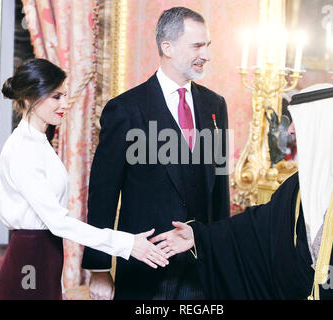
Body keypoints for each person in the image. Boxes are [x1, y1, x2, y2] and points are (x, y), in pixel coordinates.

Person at [152, 84, 333, 300]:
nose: (290, 131)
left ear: (320, 123)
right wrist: (199, 236)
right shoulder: (301, 182)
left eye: (297, 121)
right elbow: (258, 226)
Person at [81, 7, 230, 300]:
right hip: (144, 271)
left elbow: (219, 193)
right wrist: (99, 269)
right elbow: (103, 194)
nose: (206, 54)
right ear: (168, 47)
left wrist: (219, 257)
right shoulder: (125, 109)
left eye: (207, 45)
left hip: (201, 272)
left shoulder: (215, 107)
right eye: (197, 45)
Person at [0, 58, 168, 300]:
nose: (65, 104)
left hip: (44, 257)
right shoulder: (23, 149)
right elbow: (58, 221)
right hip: (30, 263)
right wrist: (126, 243)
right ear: (28, 99)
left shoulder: (39, 142)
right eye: (56, 97)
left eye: (65, 95)